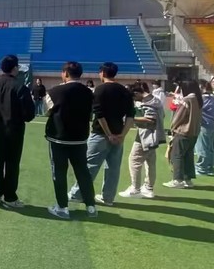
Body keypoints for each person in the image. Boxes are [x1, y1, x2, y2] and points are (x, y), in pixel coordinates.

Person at [68, 62, 135, 206]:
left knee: (90, 165)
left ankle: (77, 193)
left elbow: (99, 115)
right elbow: (130, 116)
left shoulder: (100, 89)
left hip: (100, 134)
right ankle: (108, 197)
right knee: (113, 168)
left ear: (103, 73)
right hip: (118, 134)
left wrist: (108, 133)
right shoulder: (125, 91)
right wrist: (122, 135)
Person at [0, 55, 35, 209]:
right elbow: (29, 114)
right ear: (15, 68)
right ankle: (10, 197)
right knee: (12, 164)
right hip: (15, 130)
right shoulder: (20, 87)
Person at [44, 61, 97, 219]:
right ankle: (91, 206)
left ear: (65, 73)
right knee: (83, 172)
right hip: (80, 139)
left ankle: (62, 207)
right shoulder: (89, 93)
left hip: (59, 139)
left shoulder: (54, 91)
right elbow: (91, 114)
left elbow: (48, 112)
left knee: (59, 173)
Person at [119, 82, 164, 199]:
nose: (134, 100)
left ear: (137, 93)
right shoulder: (155, 100)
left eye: (134, 97)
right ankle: (148, 188)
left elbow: (150, 119)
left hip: (146, 135)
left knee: (134, 161)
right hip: (154, 136)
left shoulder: (148, 103)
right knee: (150, 162)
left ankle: (135, 189)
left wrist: (131, 119)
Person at [164, 80, 203, 188]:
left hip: (183, 131)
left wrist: (172, 128)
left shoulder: (187, 100)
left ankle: (177, 180)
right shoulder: (198, 99)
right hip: (194, 132)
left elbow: (179, 116)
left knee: (177, 155)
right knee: (188, 156)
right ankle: (187, 179)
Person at [195, 79, 214, 176]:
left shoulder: (202, 98)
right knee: (209, 147)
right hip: (212, 124)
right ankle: (209, 167)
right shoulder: (213, 97)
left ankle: (201, 168)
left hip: (203, 124)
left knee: (202, 147)